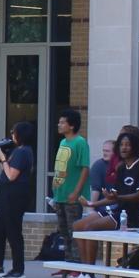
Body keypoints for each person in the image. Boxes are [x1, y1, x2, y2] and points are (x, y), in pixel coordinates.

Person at [69, 130, 139, 278]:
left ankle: (90, 276)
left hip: (132, 216)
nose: (124, 148)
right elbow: (114, 197)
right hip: (117, 210)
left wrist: (119, 197)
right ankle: (85, 274)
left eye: (127, 144)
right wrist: (93, 203)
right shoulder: (121, 168)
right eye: (121, 144)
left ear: (135, 146)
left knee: (90, 229)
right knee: (78, 226)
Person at [0, 121, 35, 278]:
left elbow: (12, 175)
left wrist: (2, 159)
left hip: (15, 196)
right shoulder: (18, 151)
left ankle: (18, 269)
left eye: (14, 132)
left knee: (13, 231)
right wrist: (2, 159)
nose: (12, 135)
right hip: (7, 194)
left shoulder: (23, 152)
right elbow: (8, 171)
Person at [50, 110, 90, 263]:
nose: (59, 125)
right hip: (60, 193)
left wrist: (76, 191)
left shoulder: (80, 142)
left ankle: (76, 264)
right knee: (63, 231)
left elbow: (85, 168)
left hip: (72, 197)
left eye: (62, 122)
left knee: (74, 231)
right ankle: (68, 262)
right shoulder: (62, 142)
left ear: (71, 125)